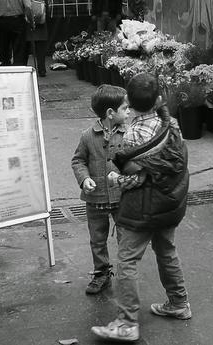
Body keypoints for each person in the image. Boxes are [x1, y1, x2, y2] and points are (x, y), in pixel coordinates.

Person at [91, 73, 191, 342]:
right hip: (170, 202)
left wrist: (116, 179)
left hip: (143, 207)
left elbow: (138, 177)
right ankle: (179, 303)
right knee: (166, 251)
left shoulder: (134, 135)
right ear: (159, 99)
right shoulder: (173, 126)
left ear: (130, 104)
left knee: (127, 260)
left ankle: (126, 322)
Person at [71, 84, 129, 295]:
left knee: (126, 237)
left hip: (122, 197)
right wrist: (84, 179)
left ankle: (126, 271)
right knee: (97, 238)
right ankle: (101, 273)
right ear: (110, 113)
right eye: (125, 108)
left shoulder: (129, 134)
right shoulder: (88, 136)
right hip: (95, 198)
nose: (128, 112)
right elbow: (78, 161)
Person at [0, 0, 33, 66]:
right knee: (19, 51)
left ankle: (5, 69)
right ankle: (18, 70)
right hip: (18, 21)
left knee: (4, 52)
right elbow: (28, 7)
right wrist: (31, 21)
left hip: (2, 22)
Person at [24, 0, 48, 77]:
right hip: (41, 22)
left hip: (28, 22)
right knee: (41, 49)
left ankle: (23, 68)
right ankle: (41, 70)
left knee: (25, 48)